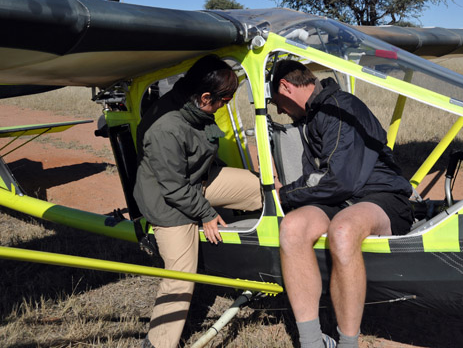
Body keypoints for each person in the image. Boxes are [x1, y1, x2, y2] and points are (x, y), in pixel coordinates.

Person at [270, 60, 413, 348]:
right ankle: (311, 342)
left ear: (285, 87)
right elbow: (324, 181)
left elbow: (340, 180)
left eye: (277, 103)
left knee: (343, 230)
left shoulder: (338, 106)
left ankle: (348, 343)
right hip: (342, 198)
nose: (279, 111)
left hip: (381, 195)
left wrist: (284, 194)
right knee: (292, 227)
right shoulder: (313, 115)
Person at [134, 55, 262, 348]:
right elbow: (175, 188)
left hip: (198, 181)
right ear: (205, 97)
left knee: (258, 189)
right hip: (168, 201)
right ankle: (158, 343)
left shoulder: (195, 108)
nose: (225, 106)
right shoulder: (164, 128)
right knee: (180, 277)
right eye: (225, 100)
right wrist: (206, 214)